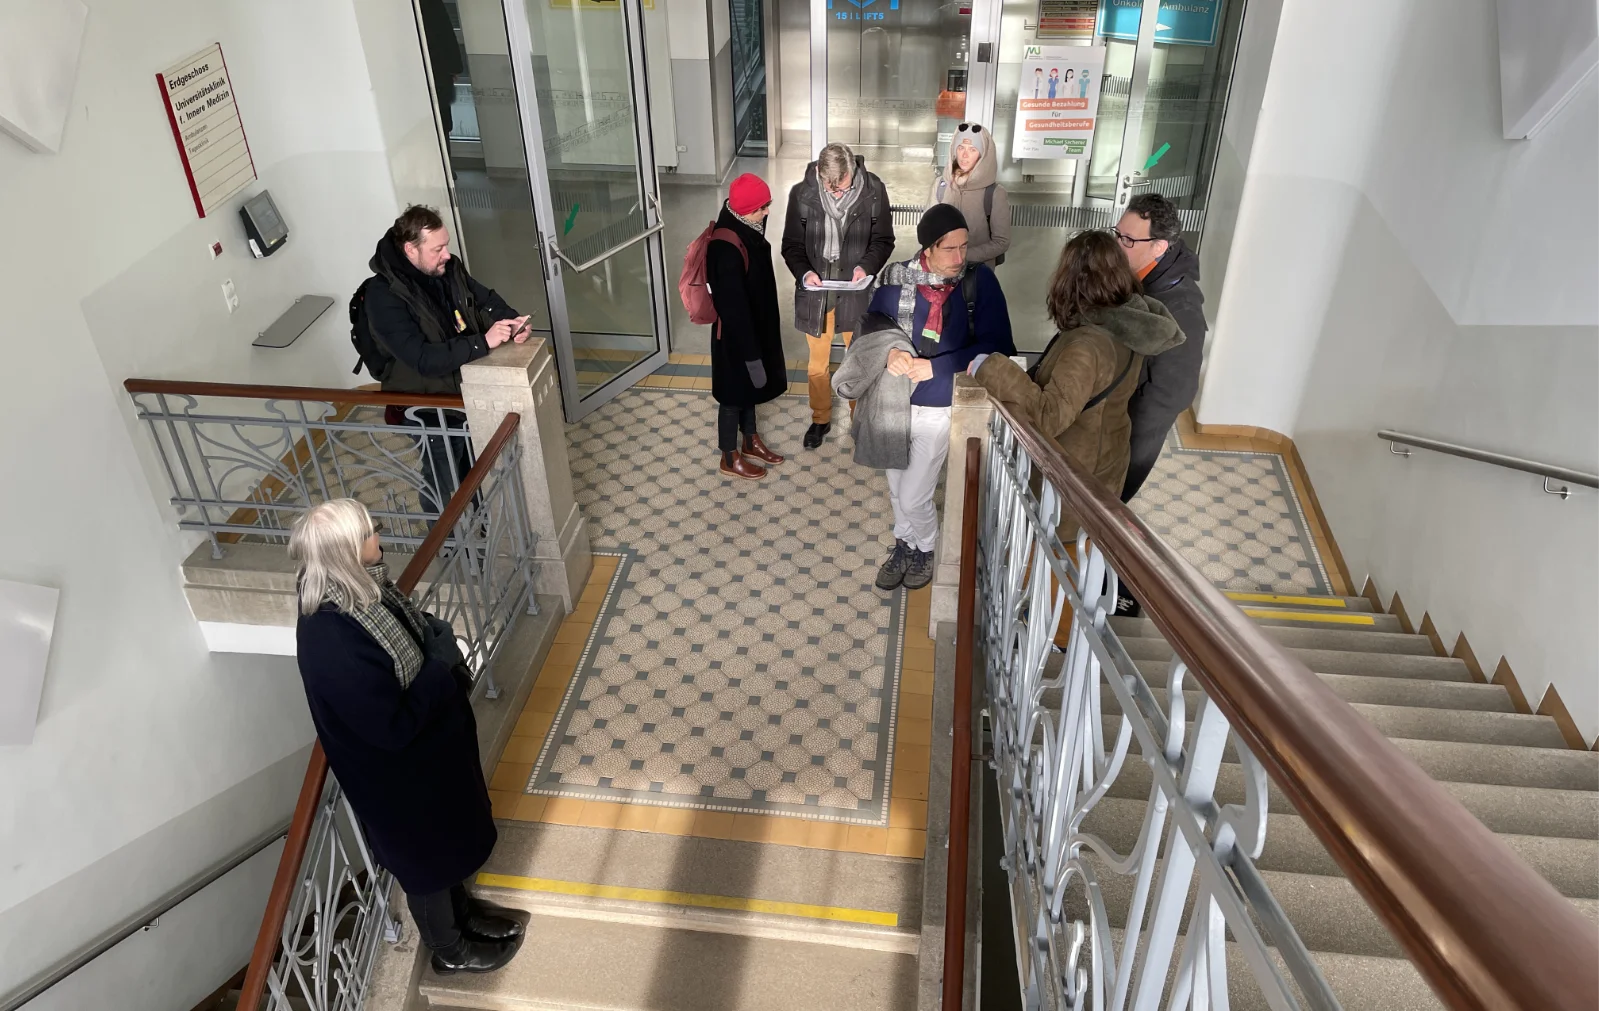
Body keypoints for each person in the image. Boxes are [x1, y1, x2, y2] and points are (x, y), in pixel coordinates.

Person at [289, 499, 522, 975]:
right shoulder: (331, 637)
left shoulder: (358, 592)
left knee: (447, 852)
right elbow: (388, 727)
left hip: (427, 762)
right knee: (429, 870)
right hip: (401, 783)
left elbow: (402, 639)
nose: (380, 536)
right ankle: (449, 951)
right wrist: (439, 665)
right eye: (370, 532)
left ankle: (465, 917)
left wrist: (430, 639)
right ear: (347, 553)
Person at [969, 229, 1184, 541]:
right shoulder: (1128, 322)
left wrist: (988, 366)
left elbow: (1048, 415)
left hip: (1073, 481)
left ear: (1072, 279)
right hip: (1105, 464)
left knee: (1056, 561)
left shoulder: (1087, 344)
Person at [864, 205, 1014, 591]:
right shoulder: (895, 277)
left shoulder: (978, 282)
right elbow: (872, 326)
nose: (960, 258)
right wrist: (890, 353)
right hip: (893, 401)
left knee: (915, 494)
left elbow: (998, 346)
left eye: (965, 247)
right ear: (928, 249)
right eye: (950, 249)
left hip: (939, 405)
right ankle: (905, 544)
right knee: (896, 488)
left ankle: (926, 547)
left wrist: (939, 368)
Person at [364, 205, 529, 513]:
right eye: (437, 248)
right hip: (425, 405)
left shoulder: (448, 267)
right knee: (443, 479)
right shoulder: (383, 296)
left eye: (447, 244)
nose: (447, 254)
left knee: (473, 468)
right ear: (410, 249)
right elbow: (422, 358)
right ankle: (452, 549)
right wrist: (483, 341)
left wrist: (511, 321)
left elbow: (485, 299)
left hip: (463, 391)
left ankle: (482, 529)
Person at [781, 142, 896, 449]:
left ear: (853, 172)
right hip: (817, 295)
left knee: (858, 361)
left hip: (855, 292)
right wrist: (805, 273)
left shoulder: (874, 191)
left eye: (842, 189)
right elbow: (791, 244)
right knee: (817, 365)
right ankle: (820, 419)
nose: (836, 195)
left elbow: (883, 240)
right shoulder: (801, 194)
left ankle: (860, 420)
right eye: (830, 190)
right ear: (820, 174)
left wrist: (865, 267)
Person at [1114, 193, 1208, 505]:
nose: (1118, 245)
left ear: (1159, 247)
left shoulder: (1183, 311)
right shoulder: (1138, 275)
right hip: (1114, 412)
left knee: (1107, 501)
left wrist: (1121, 429)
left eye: (1128, 240)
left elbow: (1176, 392)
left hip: (1132, 432)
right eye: (1117, 234)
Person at [706, 173, 787, 480]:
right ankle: (729, 456)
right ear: (744, 210)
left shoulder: (747, 224)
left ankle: (750, 440)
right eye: (762, 207)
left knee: (750, 389)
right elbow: (733, 309)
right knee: (731, 396)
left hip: (755, 326)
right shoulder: (725, 248)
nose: (767, 212)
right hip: (736, 337)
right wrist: (752, 353)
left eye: (767, 205)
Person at [928, 122, 1011, 269]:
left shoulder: (994, 193)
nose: (964, 155)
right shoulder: (940, 185)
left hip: (977, 273)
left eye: (972, 149)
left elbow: (1001, 242)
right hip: (941, 272)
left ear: (983, 154)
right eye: (961, 148)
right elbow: (927, 228)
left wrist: (962, 256)